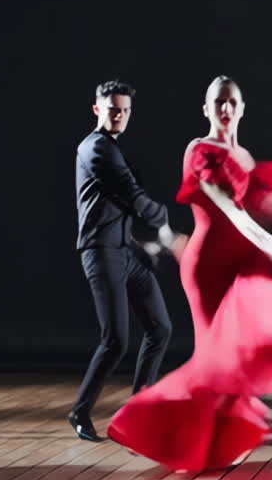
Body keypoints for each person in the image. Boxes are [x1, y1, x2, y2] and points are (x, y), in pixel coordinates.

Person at [106, 76, 272, 472]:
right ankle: (150, 427)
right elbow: (229, 209)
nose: (225, 110)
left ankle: (218, 439)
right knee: (214, 359)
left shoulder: (245, 158)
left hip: (247, 262)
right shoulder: (199, 150)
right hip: (209, 265)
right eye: (218, 102)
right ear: (206, 108)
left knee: (254, 344)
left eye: (231, 102)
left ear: (242, 108)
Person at [71, 80, 186, 442]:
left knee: (160, 328)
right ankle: (79, 411)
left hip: (123, 251)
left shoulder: (112, 147)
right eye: (112, 109)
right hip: (100, 253)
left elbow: (116, 205)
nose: (119, 115)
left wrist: (144, 244)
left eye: (124, 110)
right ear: (97, 110)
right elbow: (133, 197)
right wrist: (165, 224)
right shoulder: (96, 148)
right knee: (116, 340)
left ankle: (139, 406)